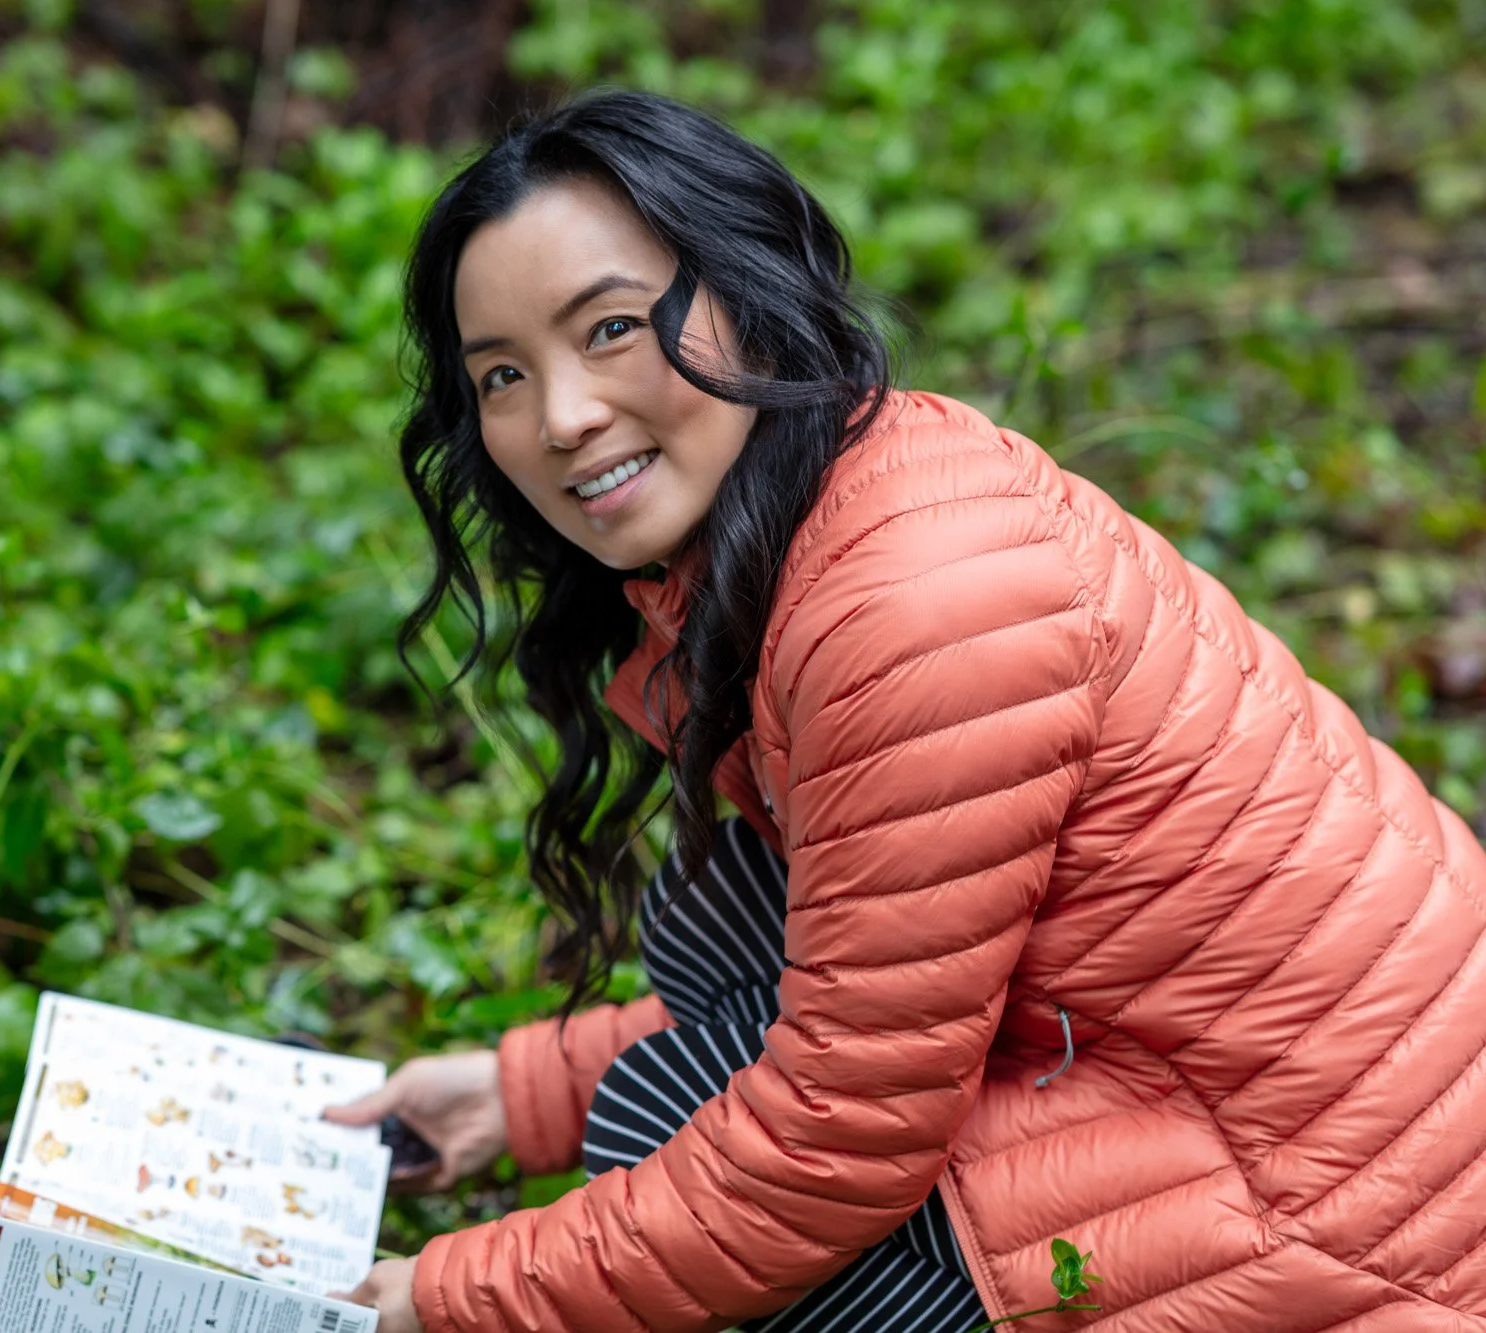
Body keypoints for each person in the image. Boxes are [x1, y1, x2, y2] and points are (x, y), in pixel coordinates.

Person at [321, 88, 1486, 1332]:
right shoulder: (808, 533)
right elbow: (867, 984)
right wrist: (517, 1095)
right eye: (502, 374)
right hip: (1200, 1109)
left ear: (748, 292)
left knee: (709, 1149)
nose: (559, 417)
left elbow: (836, 1140)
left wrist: (452, 1297)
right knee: (693, 1028)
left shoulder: (912, 602)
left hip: (1345, 1232)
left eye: (608, 328)